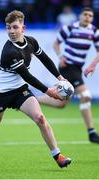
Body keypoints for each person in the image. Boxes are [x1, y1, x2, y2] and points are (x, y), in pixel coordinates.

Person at [0, 10, 71, 168]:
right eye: (8, 27)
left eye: (15, 27)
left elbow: (45, 59)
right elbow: (27, 76)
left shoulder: (31, 42)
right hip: (1, 93)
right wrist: (49, 91)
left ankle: (58, 155)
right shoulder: (10, 52)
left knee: (40, 118)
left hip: (20, 91)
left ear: (23, 28)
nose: (11, 31)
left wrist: (59, 77)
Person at [37, 7, 99, 143]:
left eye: (90, 15)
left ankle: (33, 99)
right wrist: (60, 57)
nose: (87, 17)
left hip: (77, 68)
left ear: (92, 18)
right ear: (80, 16)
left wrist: (92, 64)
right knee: (86, 95)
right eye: (85, 14)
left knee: (61, 104)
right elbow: (56, 43)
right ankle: (92, 133)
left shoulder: (94, 31)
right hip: (67, 67)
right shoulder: (70, 28)